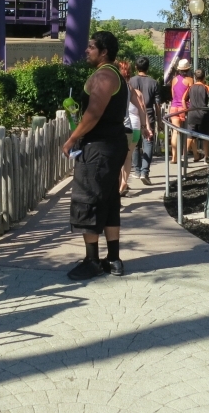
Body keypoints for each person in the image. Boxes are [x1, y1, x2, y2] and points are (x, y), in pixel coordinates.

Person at [61, 31, 129, 279]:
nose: (87, 50)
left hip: (98, 148)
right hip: (112, 145)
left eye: (91, 47)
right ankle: (114, 259)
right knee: (109, 201)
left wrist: (71, 138)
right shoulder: (115, 75)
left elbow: (94, 114)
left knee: (87, 199)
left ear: (104, 52)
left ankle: (92, 260)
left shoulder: (104, 75)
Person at [116, 60, 152, 197]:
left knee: (118, 159)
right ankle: (124, 181)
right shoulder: (133, 91)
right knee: (127, 157)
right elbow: (143, 109)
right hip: (133, 129)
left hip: (121, 128)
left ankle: (119, 185)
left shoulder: (115, 87)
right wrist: (145, 127)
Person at [129, 56, 160, 185]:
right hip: (148, 115)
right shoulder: (154, 82)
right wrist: (160, 120)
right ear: (148, 68)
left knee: (135, 144)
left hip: (133, 115)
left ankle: (137, 170)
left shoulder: (130, 81)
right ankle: (145, 171)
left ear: (136, 67)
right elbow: (157, 104)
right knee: (148, 142)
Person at [182, 69, 209, 162]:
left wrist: (186, 110)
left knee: (190, 136)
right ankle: (207, 157)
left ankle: (184, 156)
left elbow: (183, 99)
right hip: (203, 114)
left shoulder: (191, 88)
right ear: (204, 77)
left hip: (192, 113)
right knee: (205, 137)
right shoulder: (206, 87)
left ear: (195, 77)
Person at [168, 59, 193, 163]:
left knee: (175, 132)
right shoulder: (190, 80)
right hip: (184, 108)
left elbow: (173, 94)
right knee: (186, 132)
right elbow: (191, 95)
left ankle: (174, 157)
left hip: (174, 107)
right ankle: (184, 154)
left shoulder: (174, 80)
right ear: (188, 69)